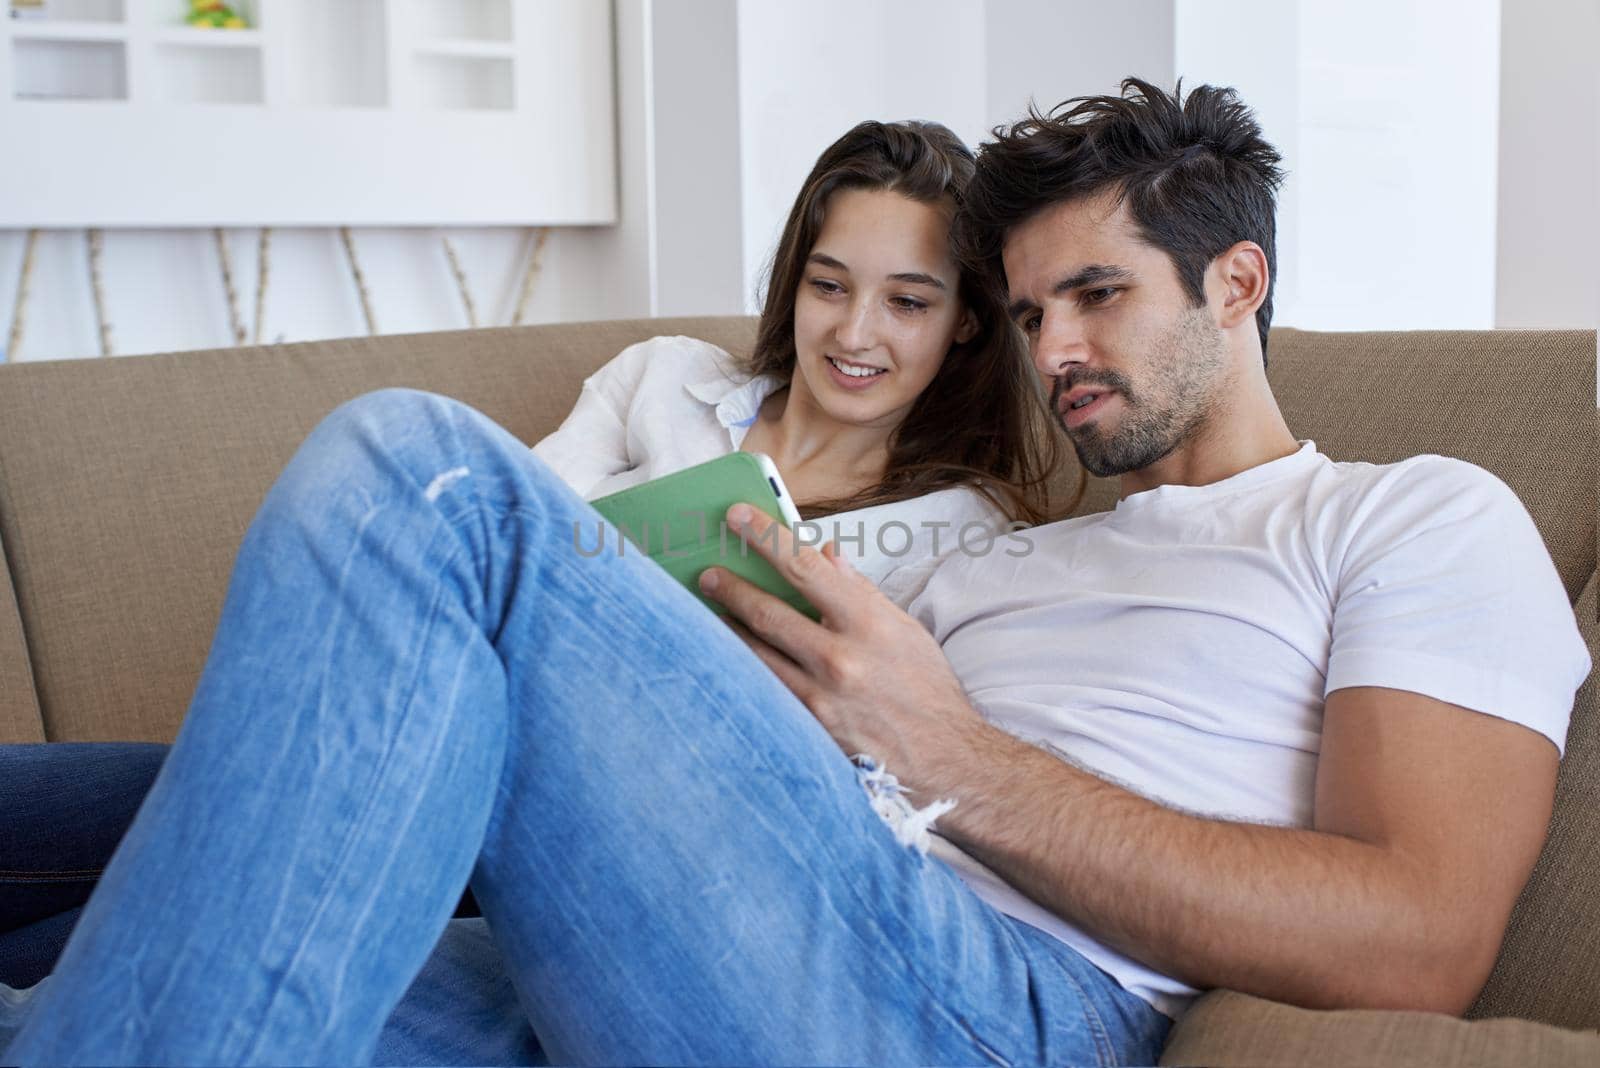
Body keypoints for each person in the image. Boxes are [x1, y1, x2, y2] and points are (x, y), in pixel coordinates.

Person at [3, 79, 1587, 1067]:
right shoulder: (1018, 559)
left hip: (980, 1004)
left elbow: (1420, 937)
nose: (1059, 353)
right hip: (720, 917)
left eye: (1098, 296)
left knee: (427, 478)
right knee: (98, 959)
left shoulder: (1412, 518)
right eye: (1033, 315)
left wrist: (945, 749)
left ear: (1237, 280)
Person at [0, 116, 1064, 1005]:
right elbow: (492, 536)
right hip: (438, 728)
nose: (854, 330)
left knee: (84, 935)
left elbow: (879, 774)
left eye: (907, 302)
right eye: (828, 285)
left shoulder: (954, 531)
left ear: (967, 325)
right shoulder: (664, 382)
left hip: (585, 829)